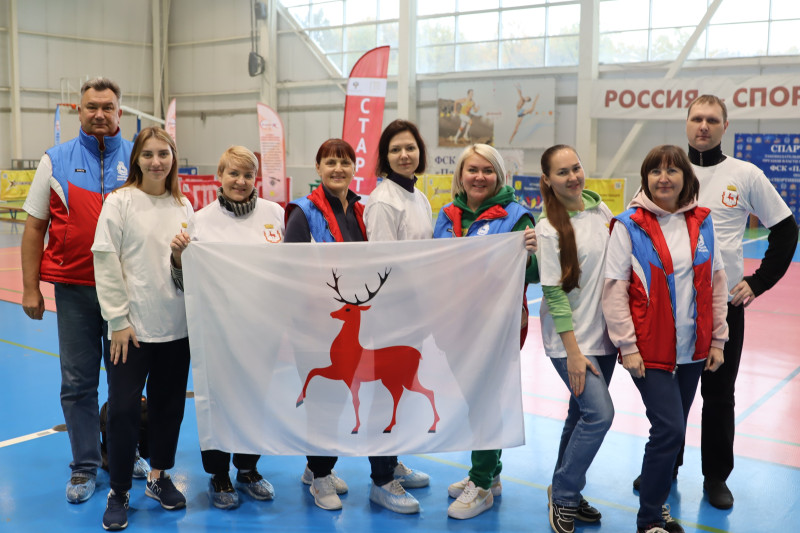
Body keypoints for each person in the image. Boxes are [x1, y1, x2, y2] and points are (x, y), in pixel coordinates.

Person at [20, 77, 149, 504]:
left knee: (125, 383)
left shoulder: (139, 157)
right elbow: (35, 226)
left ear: (119, 112)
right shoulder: (54, 160)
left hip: (129, 294)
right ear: (79, 110)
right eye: (91, 106)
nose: (99, 113)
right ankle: (84, 465)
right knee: (77, 383)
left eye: (107, 107)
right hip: (74, 292)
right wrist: (30, 288)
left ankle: (124, 452)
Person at [284, 138, 423, 515]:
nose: (337, 169)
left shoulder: (362, 209)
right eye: (330, 162)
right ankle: (321, 473)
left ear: (354, 167)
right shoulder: (302, 212)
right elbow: (291, 271)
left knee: (352, 396)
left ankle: (321, 467)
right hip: (315, 327)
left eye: (344, 163)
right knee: (324, 402)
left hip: (355, 327)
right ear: (318, 168)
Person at [603, 145, 729, 533]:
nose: (663, 177)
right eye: (655, 170)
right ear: (646, 179)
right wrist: (627, 346)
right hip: (649, 351)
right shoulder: (629, 225)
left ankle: (655, 507)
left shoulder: (703, 222)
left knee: (671, 433)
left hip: (693, 350)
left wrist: (718, 340)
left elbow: (717, 283)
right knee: (670, 430)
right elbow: (614, 289)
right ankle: (649, 519)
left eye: (672, 170)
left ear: (685, 179)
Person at [683, 95, 798, 509]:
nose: (703, 126)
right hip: (673, 304)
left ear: (724, 126)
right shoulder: (666, 170)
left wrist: (758, 282)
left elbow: (786, 230)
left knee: (718, 395)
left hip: (723, 306)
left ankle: (715, 477)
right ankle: (663, 464)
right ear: (686, 123)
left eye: (712, 119)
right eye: (697, 118)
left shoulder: (744, 174)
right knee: (670, 394)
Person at [169, 146, 283, 509]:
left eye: (248, 174)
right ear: (219, 175)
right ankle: (218, 475)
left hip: (263, 332)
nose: (241, 181)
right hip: (217, 333)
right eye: (233, 173)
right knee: (215, 402)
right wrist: (177, 258)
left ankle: (247, 470)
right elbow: (184, 283)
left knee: (256, 400)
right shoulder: (200, 220)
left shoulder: (275, 215)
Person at [92, 127, 194, 530]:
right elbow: (105, 260)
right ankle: (119, 490)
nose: (156, 161)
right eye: (148, 154)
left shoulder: (183, 205)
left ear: (173, 158)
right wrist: (117, 321)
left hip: (176, 328)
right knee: (121, 411)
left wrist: (179, 258)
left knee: (170, 408)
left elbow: (187, 275)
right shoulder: (120, 202)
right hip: (130, 332)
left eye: (164, 154)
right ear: (136, 159)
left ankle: (159, 476)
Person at [432, 143, 537, 520]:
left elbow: (536, 274)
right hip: (456, 323)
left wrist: (531, 254)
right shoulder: (446, 216)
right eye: (472, 170)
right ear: (460, 175)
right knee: (474, 396)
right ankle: (491, 475)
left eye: (487, 170)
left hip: (496, 325)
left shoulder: (518, 217)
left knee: (484, 397)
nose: (479, 177)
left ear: (499, 176)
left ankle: (480, 483)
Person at [535, 145, 614, 533]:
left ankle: (564, 489)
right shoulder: (547, 227)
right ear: (548, 180)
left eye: (577, 168)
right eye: (562, 172)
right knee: (600, 415)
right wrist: (573, 354)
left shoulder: (602, 212)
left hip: (605, 339)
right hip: (571, 342)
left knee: (580, 414)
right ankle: (564, 495)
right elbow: (553, 294)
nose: (573, 177)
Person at [364, 119, 434, 241]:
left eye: (410, 148)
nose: (404, 155)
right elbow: (383, 256)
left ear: (420, 152)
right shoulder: (382, 202)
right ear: (386, 157)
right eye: (395, 150)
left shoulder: (421, 198)